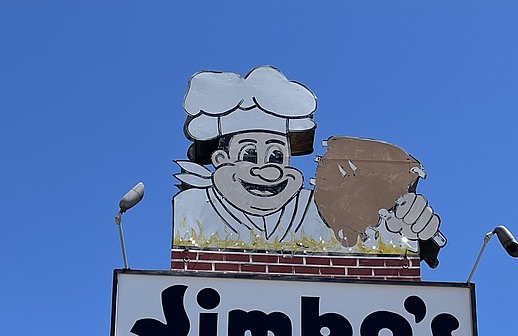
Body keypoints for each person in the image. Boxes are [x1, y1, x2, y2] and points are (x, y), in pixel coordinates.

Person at [172, 66, 441, 258]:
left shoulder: (317, 210)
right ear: (221, 159)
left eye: (277, 156)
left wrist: (408, 229)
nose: (267, 170)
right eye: (249, 155)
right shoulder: (195, 207)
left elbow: (372, 243)